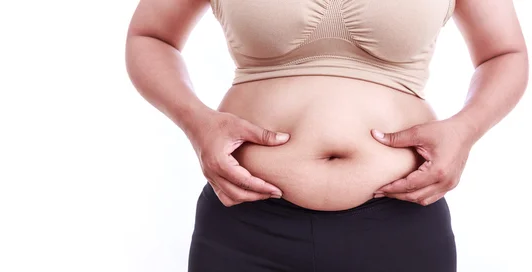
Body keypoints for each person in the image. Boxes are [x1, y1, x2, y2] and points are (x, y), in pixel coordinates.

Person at [125, 0, 528, 271]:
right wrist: (197, 123)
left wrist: (465, 129)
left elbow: (504, 52)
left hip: (400, 221)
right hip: (246, 223)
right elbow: (151, 35)